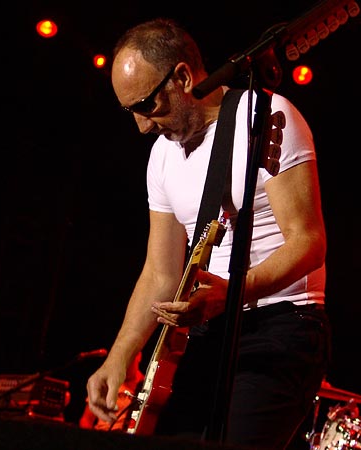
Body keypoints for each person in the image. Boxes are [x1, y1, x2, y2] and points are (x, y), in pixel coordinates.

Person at [85, 18, 331, 450]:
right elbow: (161, 272)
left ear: (182, 77)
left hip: (281, 324)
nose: (142, 127)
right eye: (131, 112)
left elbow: (308, 241)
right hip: (207, 332)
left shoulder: (267, 116)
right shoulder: (161, 157)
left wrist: (232, 291)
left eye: (146, 105)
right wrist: (120, 354)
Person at [79, 351, 144, 432]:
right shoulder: (105, 382)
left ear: (139, 356)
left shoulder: (144, 386)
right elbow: (86, 420)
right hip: (100, 436)